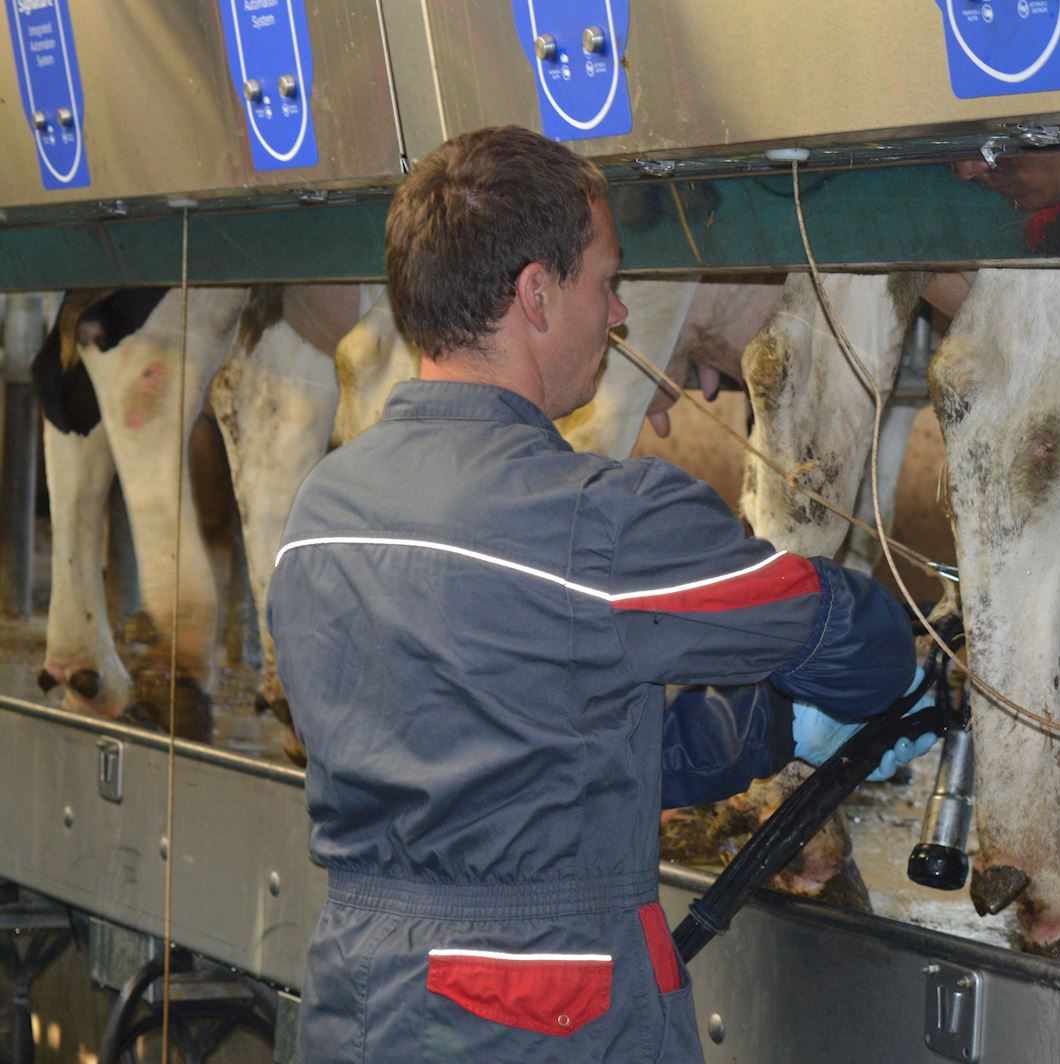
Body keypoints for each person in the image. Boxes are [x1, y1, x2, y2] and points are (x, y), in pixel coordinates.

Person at [267, 125, 932, 1061]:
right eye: (607, 281)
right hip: (542, 1012)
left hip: (359, 995)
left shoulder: (322, 510)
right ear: (537, 295)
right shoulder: (604, 522)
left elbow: (537, 756)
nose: (619, 315)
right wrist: (893, 674)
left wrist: (776, 730)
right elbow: (841, 634)